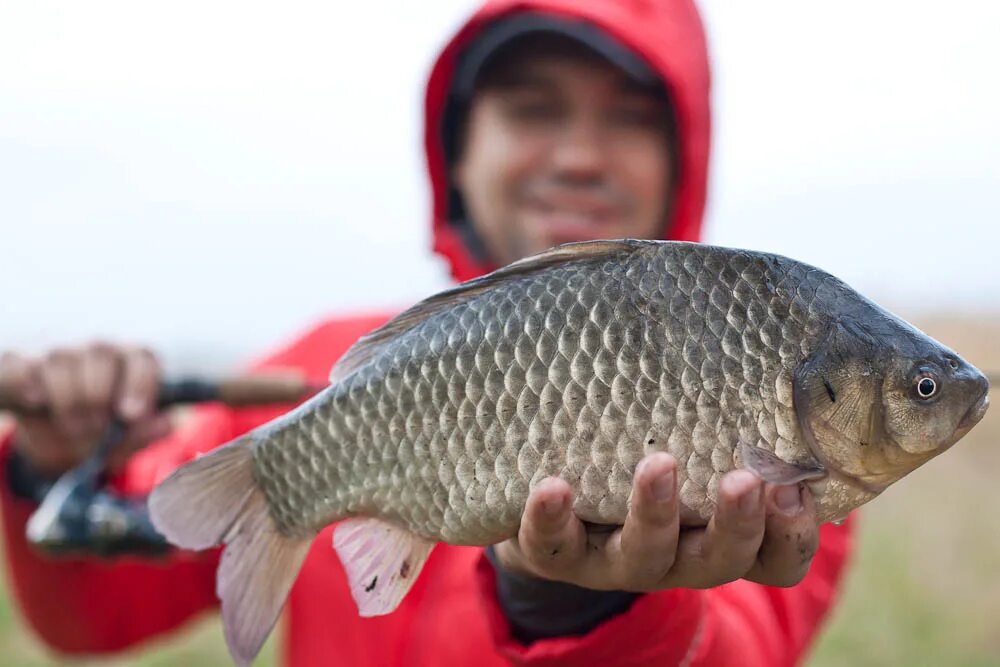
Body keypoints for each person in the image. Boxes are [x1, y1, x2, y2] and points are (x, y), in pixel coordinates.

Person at [0, 1, 854, 665]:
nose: (582, 156)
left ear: (684, 154)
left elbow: (746, 645)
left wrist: (573, 606)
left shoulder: (780, 414)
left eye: (628, 118)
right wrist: (51, 467)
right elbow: (101, 611)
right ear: (460, 150)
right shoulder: (324, 370)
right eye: (533, 109)